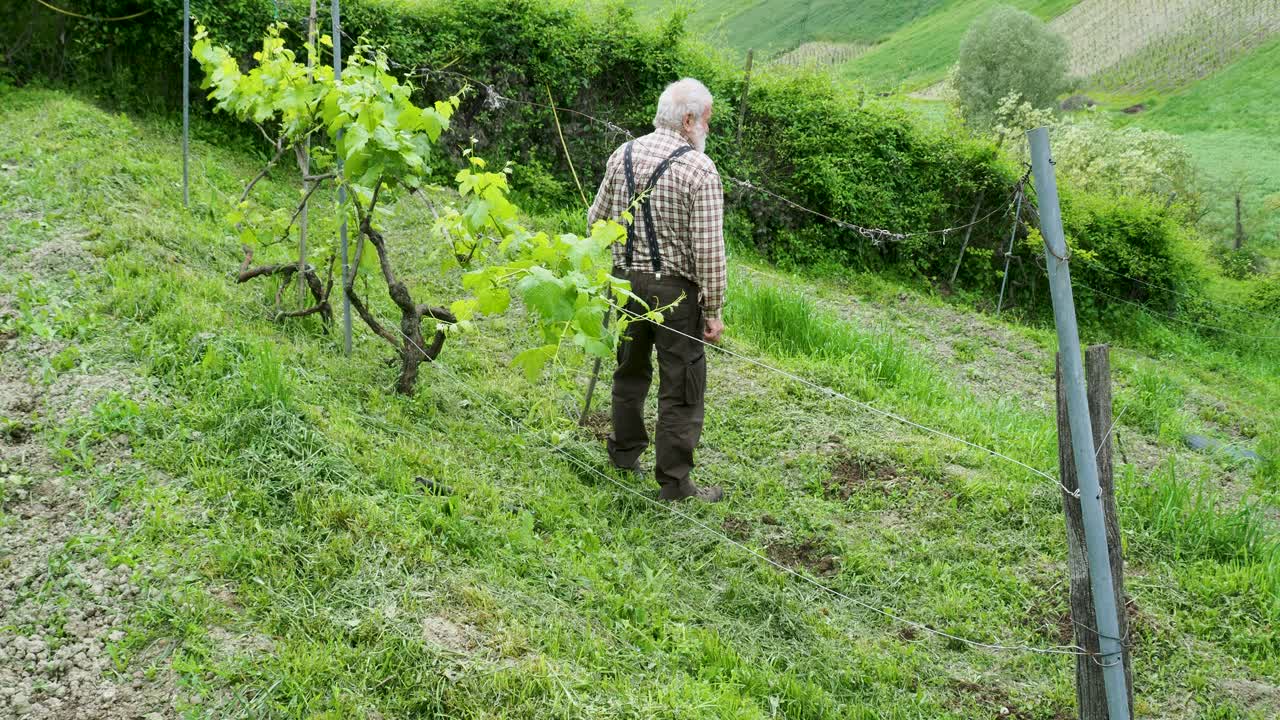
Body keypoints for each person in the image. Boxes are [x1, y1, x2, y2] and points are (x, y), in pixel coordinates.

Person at [587, 77, 727, 503]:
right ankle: (675, 484)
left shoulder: (623, 153)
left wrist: (624, 257)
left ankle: (625, 454)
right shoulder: (699, 170)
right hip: (677, 295)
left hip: (625, 282)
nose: (707, 128)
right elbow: (709, 251)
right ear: (687, 119)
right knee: (681, 385)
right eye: (705, 120)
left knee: (629, 370)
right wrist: (715, 308)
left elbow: (596, 221)